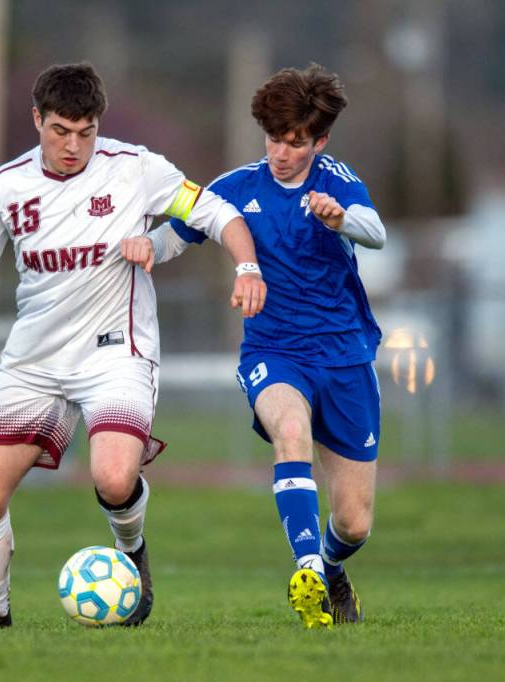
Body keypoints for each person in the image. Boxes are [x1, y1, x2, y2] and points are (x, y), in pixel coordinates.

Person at [0, 62, 267, 628]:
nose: (73, 145)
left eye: (85, 132)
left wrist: (246, 266)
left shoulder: (136, 168)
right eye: (59, 131)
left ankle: (132, 553)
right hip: (35, 359)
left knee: (114, 478)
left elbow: (219, 212)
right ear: (36, 120)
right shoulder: (6, 185)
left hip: (115, 352)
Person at [123, 64, 386, 627]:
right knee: (289, 433)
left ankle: (332, 568)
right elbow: (180, 232)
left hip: (345, 356)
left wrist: (341, 219)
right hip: (274, 351)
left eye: (296, 143)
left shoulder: (335, 180)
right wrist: (145, 245)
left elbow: (375, 229)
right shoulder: (237, 187)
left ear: (320, 141)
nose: (281, 153)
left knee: (356, 522)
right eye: (274, 139)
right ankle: (309, 574)